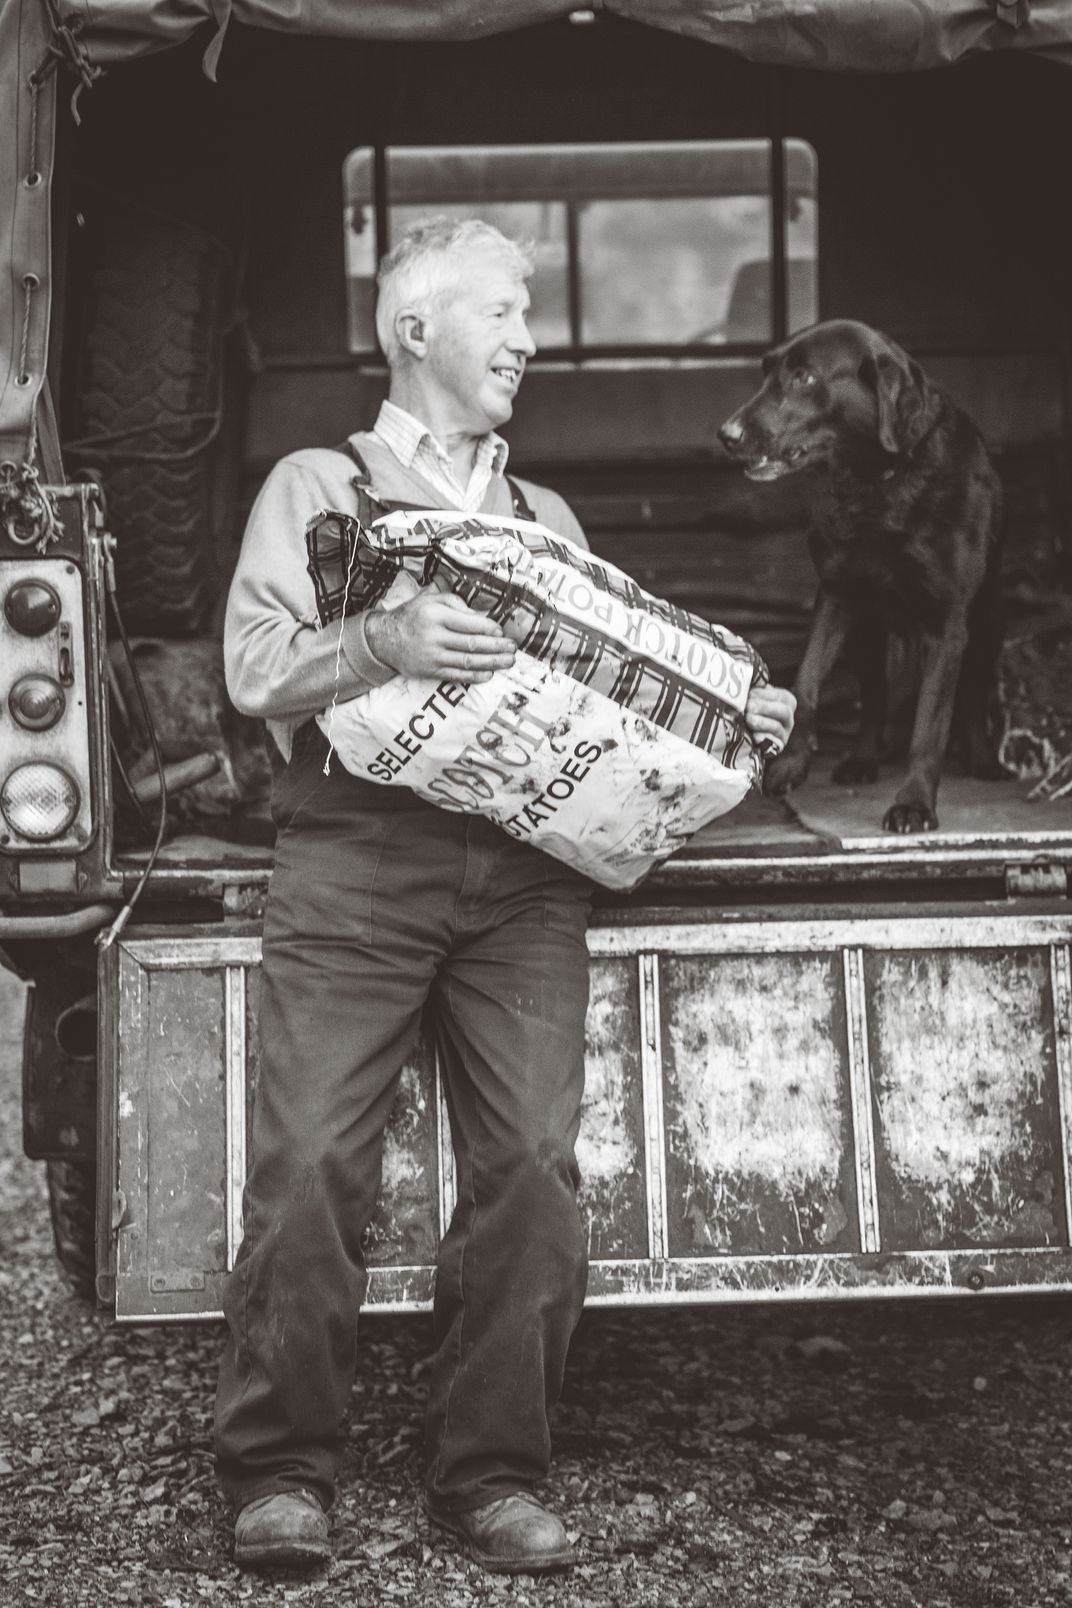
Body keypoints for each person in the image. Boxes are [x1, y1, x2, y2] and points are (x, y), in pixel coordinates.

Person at [215, 215, 796, 1576]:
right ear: (416, 331)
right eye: (506, 312)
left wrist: (728, 714)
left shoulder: (548, 522)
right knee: (310, 1166)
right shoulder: (319, 484)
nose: (530, 339)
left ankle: (492, 1475)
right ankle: (279, 1474)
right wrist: (383, 638)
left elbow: (621, 708)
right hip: (357, 861)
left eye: (528, 313)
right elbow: (251, 671)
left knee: (530, 1169)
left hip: (525, 882)